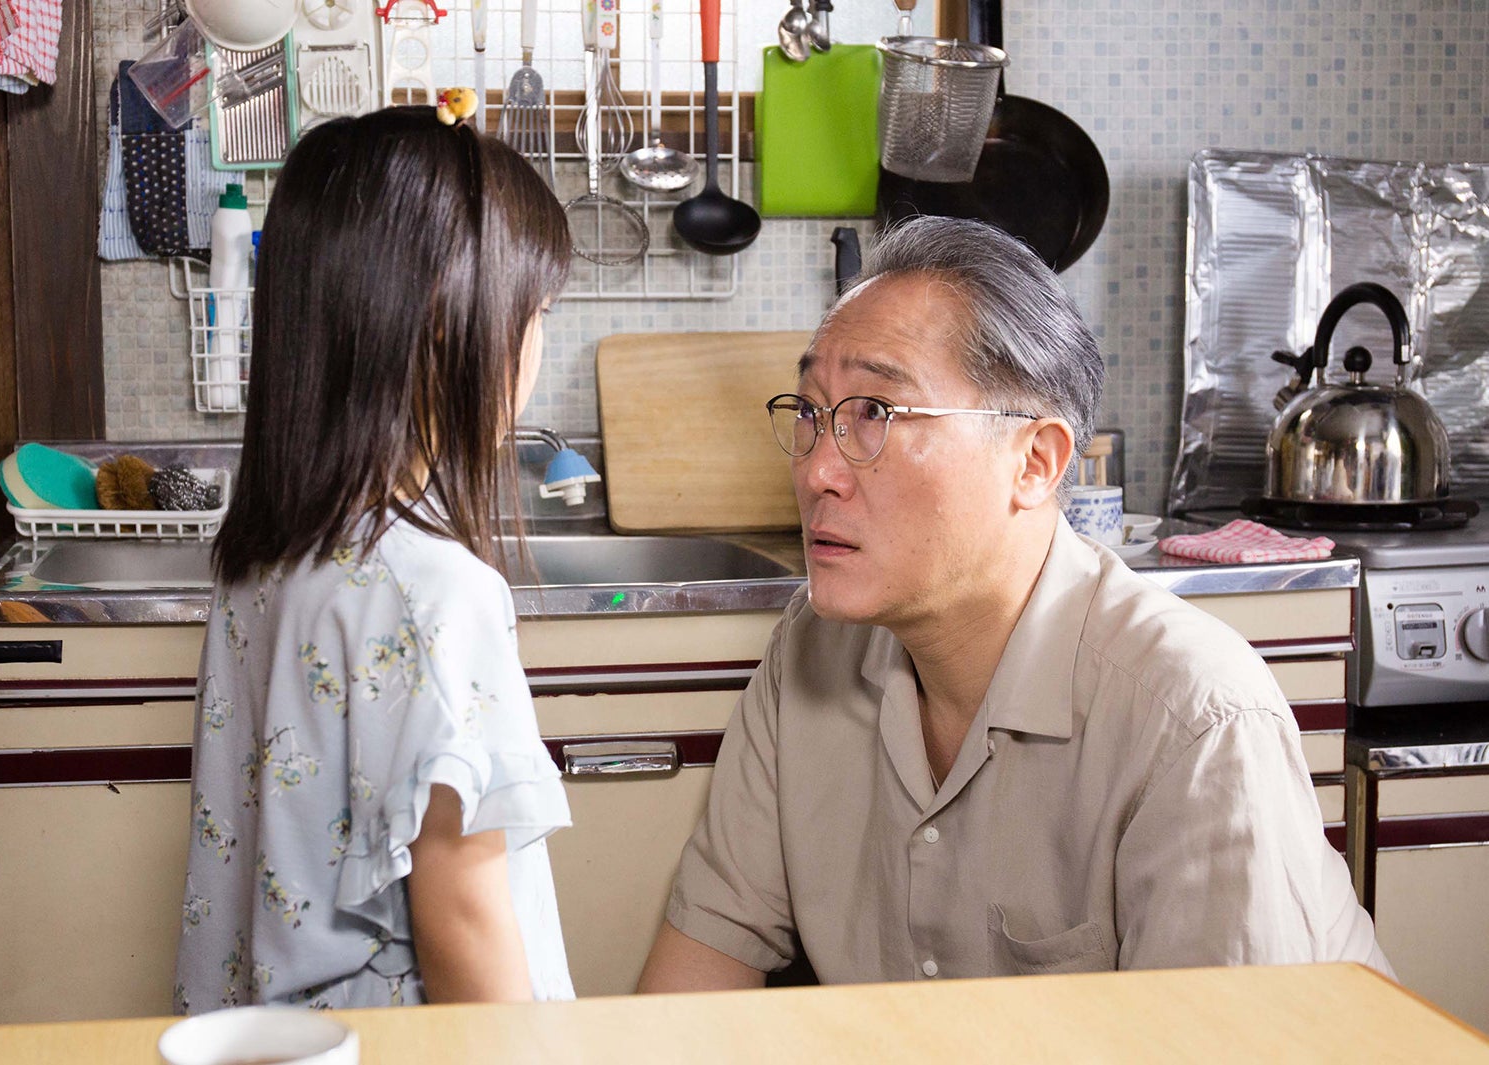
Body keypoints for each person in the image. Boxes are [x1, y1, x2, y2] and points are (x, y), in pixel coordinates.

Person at [636, 217, 1390, 991]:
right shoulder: (812, 646)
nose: (818, 470)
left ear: (1034, 462)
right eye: (810, 411)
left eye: (876, 413)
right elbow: (694, 988)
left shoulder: (1194, 718)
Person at [175, 104, 575, 1012]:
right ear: (444, 314)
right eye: (538, 308)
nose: (539, 341)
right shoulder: (438, 591)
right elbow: (465, 921)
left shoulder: (267, 560)